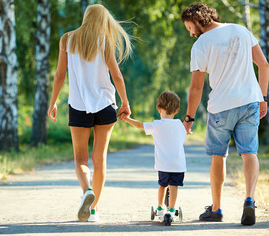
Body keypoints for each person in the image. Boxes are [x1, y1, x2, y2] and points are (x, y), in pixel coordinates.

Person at [181, 3, 269, 225]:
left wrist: (189, 119)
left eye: (190, 27)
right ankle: (249, 199)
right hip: (249, 102)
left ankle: (217, 209)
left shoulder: (201, 45)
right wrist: (262, 97)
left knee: (218, 156)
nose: (191, 33)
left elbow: (196, 88)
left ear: (199, 19)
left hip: (221, 107)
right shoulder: (241, 30)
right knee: (250, 152)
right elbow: (264, 65)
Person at [47, 4, 132, 222]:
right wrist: (125, 102)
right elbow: (117, 75)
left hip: (78, 106)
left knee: (80, 159)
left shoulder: (67, 39)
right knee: (100, 159)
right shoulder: (104, 41)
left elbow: (59, 75)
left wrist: (53, 102)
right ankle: (93, 210)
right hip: (105, 105)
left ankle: (86, 191)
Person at [121, 91, 187, 219]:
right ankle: (172, 209)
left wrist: (127, 119)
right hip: (178, 164)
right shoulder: (180, 124)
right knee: (174, 186)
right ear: (176, 110)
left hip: (163, 164)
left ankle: (160, 207)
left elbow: (140, 125)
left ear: (159, 108)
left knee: (162, 185)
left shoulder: (157, 125)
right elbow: (182, 135)